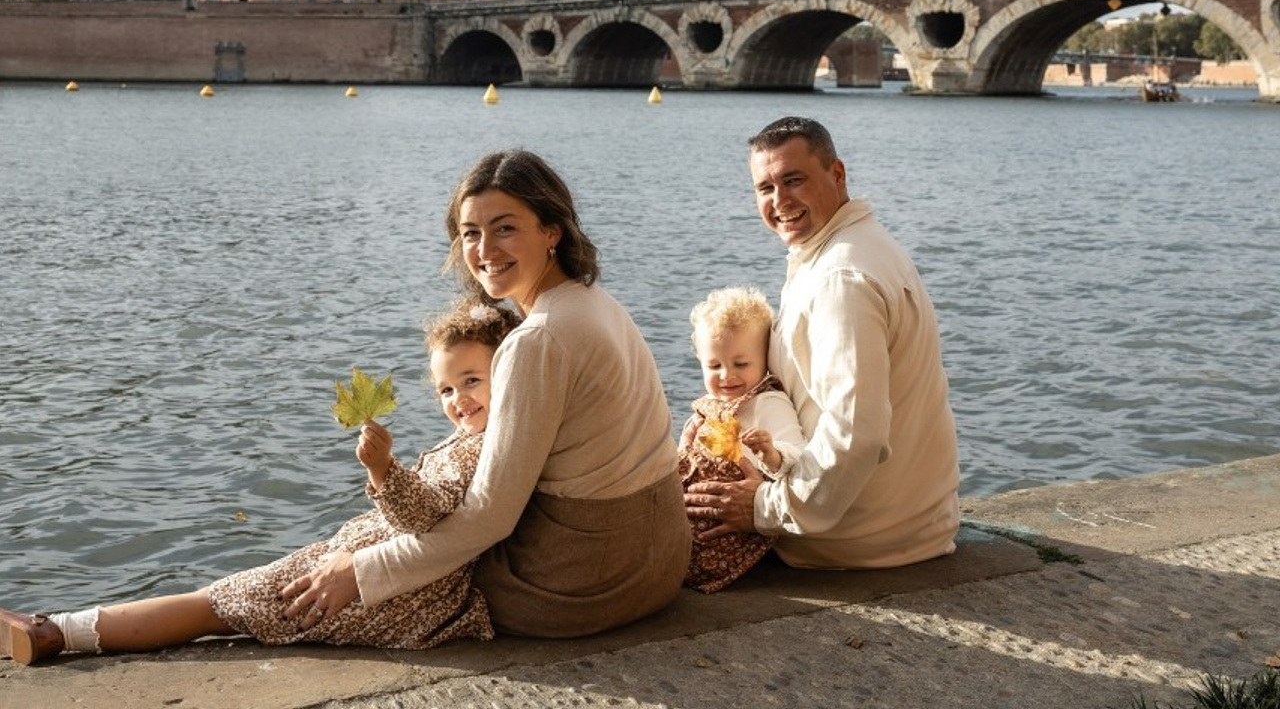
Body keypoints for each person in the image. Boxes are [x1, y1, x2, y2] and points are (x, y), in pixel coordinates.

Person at [280, 148, 690, 639]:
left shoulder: (538, 339)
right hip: (659, 562)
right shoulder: (596, 302)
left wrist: (362, 573)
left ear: (551, 231)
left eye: (505, 228)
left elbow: (490, 518)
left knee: (336, 573)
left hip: (579, 586)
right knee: (388, 533)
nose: (484, 250)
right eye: (471, 233)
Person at [0, 299, 521, 665]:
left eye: (472, 381)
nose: (457, 399)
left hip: (389, 594)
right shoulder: (482, 439)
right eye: (446, 389)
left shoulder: (477, 449)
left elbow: (428, 518)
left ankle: (56, 633)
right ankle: (58, 627)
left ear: (508, 374)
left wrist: (382, 469)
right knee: (225, 600)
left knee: (217, 604)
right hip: (377, 576)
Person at [685, 116, 960, 570]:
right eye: (764, 188)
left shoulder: (841, 280)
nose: (779, 201)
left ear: (837, 175)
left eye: (793, 180)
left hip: (857, 537)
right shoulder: (856, 248)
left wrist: (762, 508)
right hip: (912, 522)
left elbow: (857, 433)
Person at [677, 287, 804, 593]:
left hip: (735, 533)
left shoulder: (767, 403)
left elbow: (798, 455)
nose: (726, 375)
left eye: (741, 364)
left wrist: (770, 452)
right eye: (714, 365)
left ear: (765, 358)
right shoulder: (706, 409)